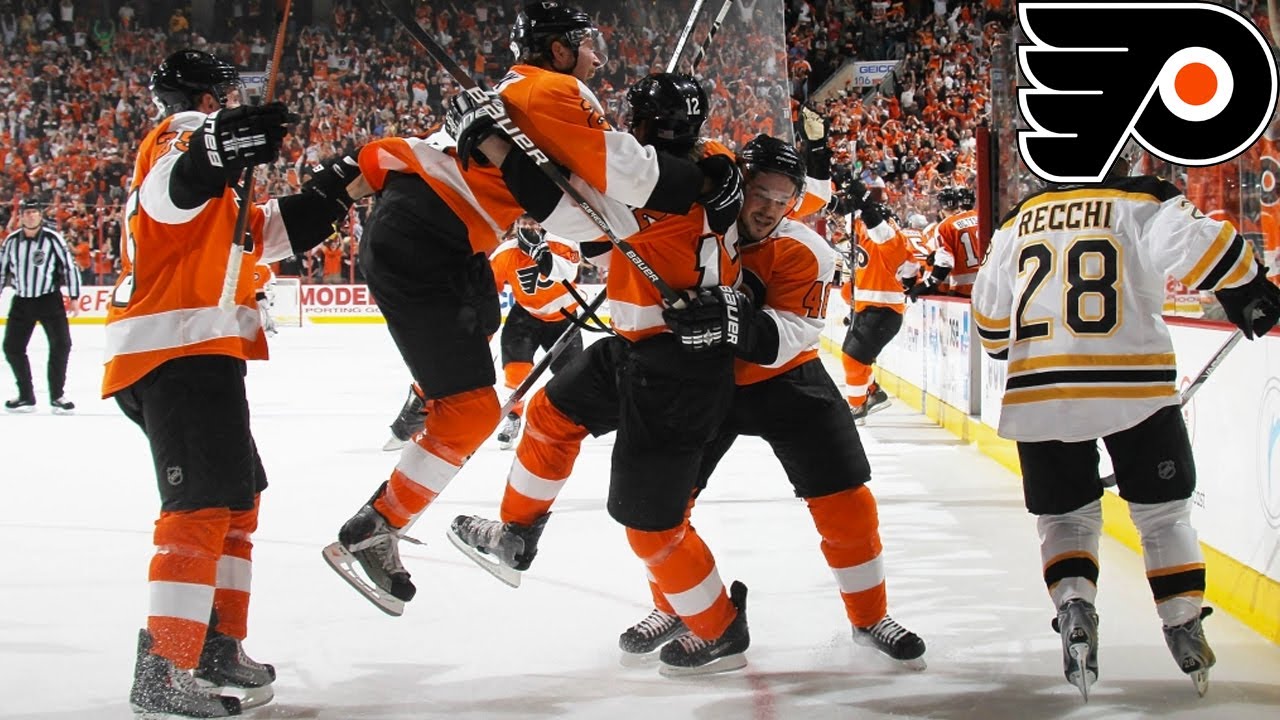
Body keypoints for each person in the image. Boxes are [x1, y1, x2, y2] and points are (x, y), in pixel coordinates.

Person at [324, 2, 742, 618]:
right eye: (586, 44)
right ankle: (377, 527)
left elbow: (577, 213)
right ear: (559, 49)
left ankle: (465, 531)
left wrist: (499, 147)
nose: (598, 58)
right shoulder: (552, 88)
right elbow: (621, 184)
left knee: (489, 402)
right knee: (476, 415)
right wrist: (702, 183)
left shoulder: (522, 93)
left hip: (442, 237)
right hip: (429, 234)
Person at [448, 72, 750, 677]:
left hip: (680, 367)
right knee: (552, 413)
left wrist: (493, 140)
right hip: (640, 350)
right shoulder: (712, 161)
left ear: (639, 124)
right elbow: (601, 217)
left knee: (650, 522)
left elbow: (557, 205)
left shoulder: (644, 191)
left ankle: (720, 629)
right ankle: (516, 534)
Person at [607, 134, 926, 669]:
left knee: (847, 501)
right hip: (704, 383)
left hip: (788, 383)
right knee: (663, 505)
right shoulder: (691, 226)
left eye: (783, 200)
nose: (770, 210)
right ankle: (678, 605)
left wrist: (734, 321)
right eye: (761, 194)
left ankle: (870, 618)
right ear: (739, 184)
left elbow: (795, 332)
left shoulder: (807, 249)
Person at [971, 150, 1280, 700]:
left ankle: (1074, 610)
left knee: (1064, 516)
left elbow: (993, 333)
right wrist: (1250, 287)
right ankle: (1183, 623)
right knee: (1163, 514)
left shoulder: (1016, 219)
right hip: (1133, 389)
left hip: (1038, 392)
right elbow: (1201, 246)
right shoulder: (1142, 197)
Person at [106, 49, 353, 718]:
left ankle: (217, 647)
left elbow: (262, 237)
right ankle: (165, 663)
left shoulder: (216, 171)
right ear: (210, 97)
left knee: (239, 500)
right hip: (176, 346)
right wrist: (217, 143)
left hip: (199, 348)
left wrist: (334, 194)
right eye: (225, 94)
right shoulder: (181, 131)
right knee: (203, 507)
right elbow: (173, 184)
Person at [489, 217, 583, 449]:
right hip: (525, 316)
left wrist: (541, 252)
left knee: (571, 378)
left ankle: (566, 420)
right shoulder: (504, 254)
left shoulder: (563, 242)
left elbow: (567, 274)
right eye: (525, 223)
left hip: (565, 319)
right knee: (515, 371)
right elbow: (488, 289)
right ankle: (514, 416)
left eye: (535, 222)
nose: (530, 229)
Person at [838, 186, 918, 421]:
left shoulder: (893, 240)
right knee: (852, 356)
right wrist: (844, 192)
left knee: (851, 359)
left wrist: (865, 204)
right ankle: (873, 392)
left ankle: (857, 406)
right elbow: (847, 217)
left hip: (884, 312)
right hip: (865, 310)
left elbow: (878, 229)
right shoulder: (863, 230)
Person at [0, 198, 81, 414]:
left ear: (40, 215)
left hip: (48, 300)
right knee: (12, 347)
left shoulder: (53, 239)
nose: (30, 215)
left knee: (61, 344)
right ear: (21, 216)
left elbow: (69, 267)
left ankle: (57, 395)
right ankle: (26, 396)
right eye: (27, 212)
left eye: (34, 212)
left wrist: (74, 296)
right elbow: (2, 269)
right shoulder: (11, 241)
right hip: (22, 301)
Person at [915, 186, 983, 298]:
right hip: (987, 283)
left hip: (964, 288)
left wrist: (929, 284)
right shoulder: (979, 216)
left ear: (941, 208)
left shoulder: (944, 226)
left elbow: (945, 263)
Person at [252, 261, 277, 336]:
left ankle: (267, 328)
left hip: (256, 293)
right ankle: (268, 328)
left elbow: (271, 283)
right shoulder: (265, 266)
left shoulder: (264, 266)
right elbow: (272, 283)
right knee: (265, 311)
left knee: (263, 311)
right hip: (259, 293)